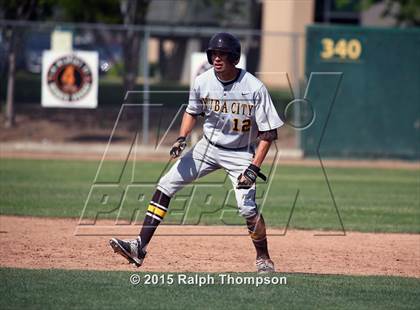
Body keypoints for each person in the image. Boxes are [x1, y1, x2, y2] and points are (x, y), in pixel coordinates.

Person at [110, 32, 283, 273]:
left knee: (247, 208)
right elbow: (192, 112)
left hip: (241, 153)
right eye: (214, 54)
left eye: (223, 54)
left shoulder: (254, 87)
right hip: (207, 147)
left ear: (234, 57)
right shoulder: (203, 81)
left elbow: (268, 133)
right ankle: (139, 247)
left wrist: (254, 168)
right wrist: (182, 137)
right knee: (166, 184)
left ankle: (263, 257)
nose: (217, 58)